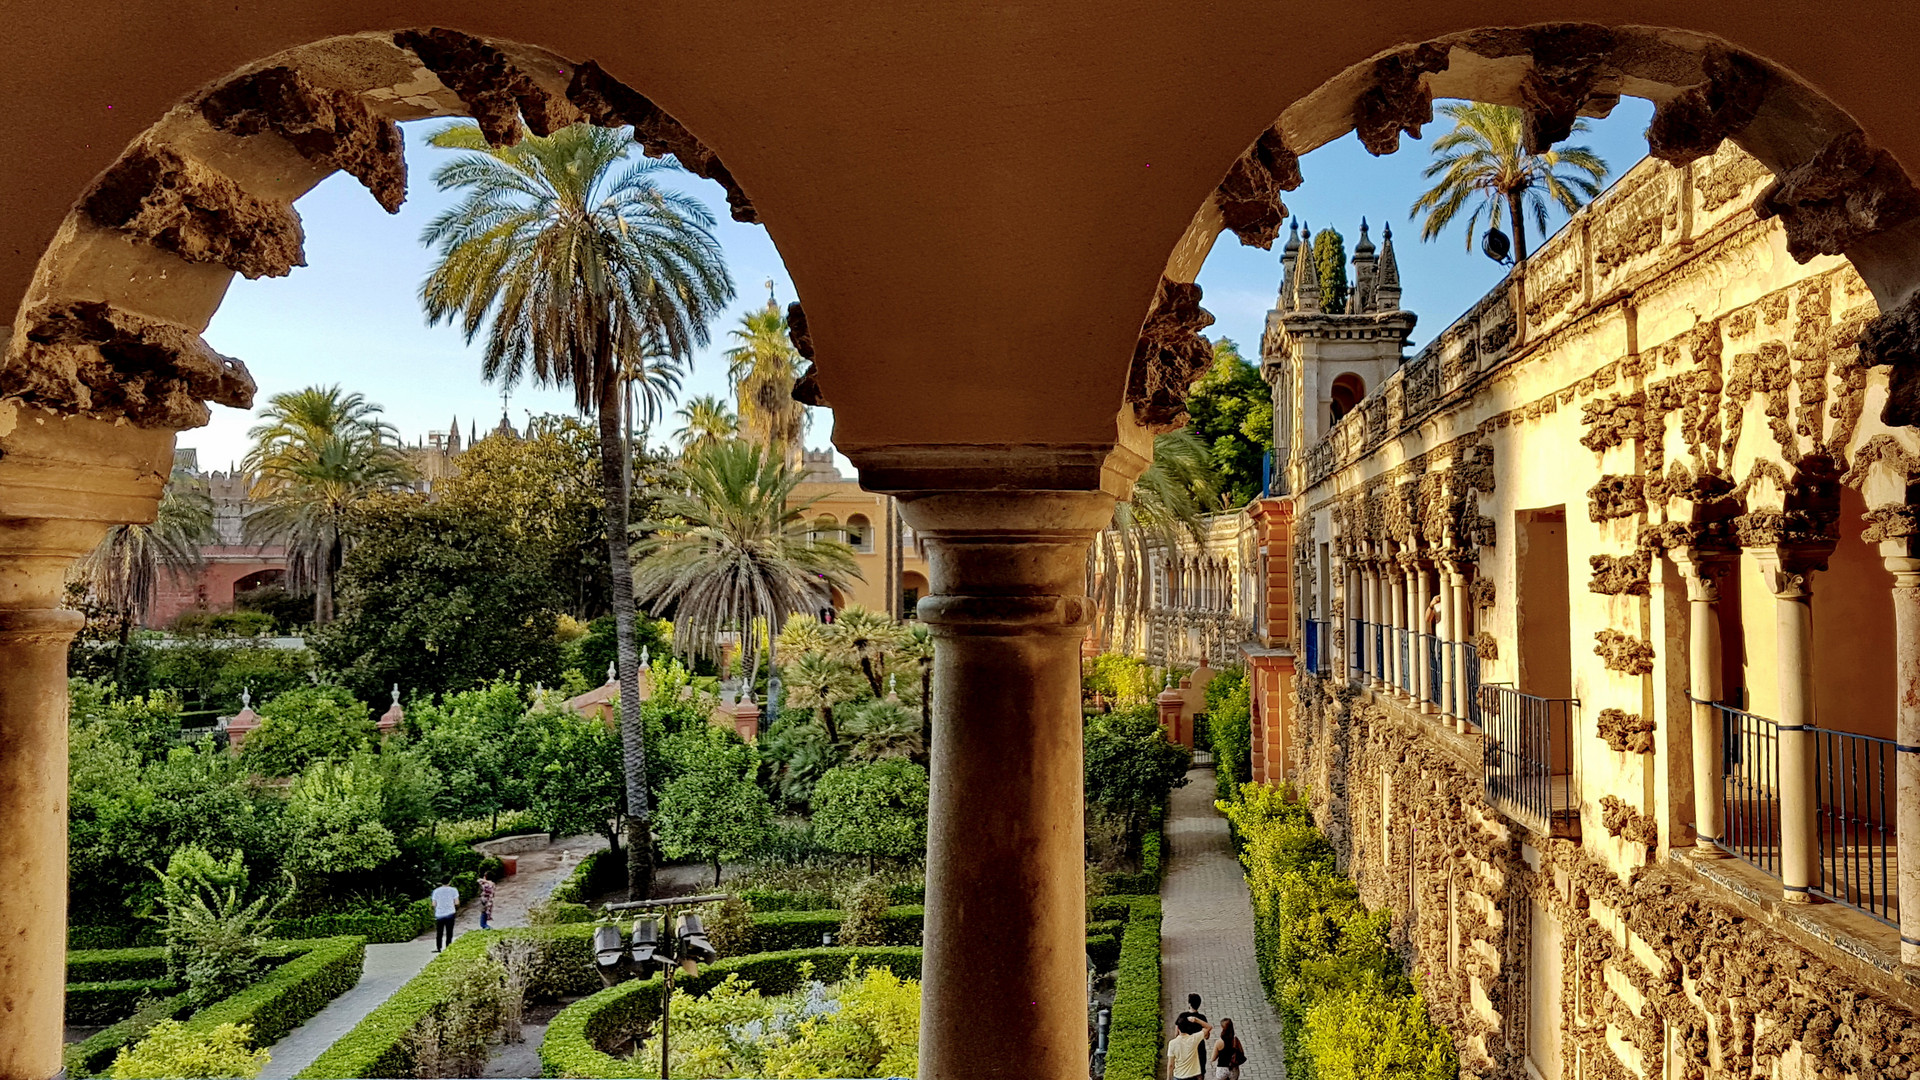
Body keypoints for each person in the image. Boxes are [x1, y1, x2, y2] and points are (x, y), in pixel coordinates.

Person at [1166, 1015, 1212, 1080]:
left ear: (1178, 1028)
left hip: (1179, 1076)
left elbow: (1170, 1065)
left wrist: (1168, 1078)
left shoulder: (1172, 1043)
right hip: (1192, 1076)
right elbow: (1209, 1027)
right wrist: (1196, 1020)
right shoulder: (1194, 1038)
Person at [1175, 994, 1209, 1076]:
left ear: (1189, 1004)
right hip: (1199, 1049)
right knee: (1200, 1073)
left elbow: (1176, 1034)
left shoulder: (1182, 1016)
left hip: (1185, 1048)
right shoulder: (1202, 1018)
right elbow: (1207, 1036)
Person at [431, 879, 459, 951]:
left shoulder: (436, 891)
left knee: (439, 932)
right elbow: (456, 902)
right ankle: (448, 947)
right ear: (449, 882)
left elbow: (434, 904)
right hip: (450, 913)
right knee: (449, 931)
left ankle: (438, 947)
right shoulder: (453, 890)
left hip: (439, 914)